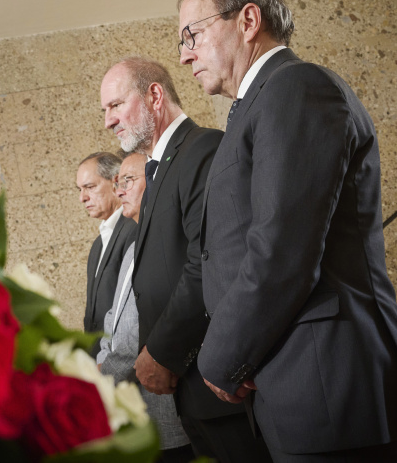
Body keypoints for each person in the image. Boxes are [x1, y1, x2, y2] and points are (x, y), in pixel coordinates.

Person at [178, 0, 397, 462]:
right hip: (298, 387)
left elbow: (281, 252)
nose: (184, 54)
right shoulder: (257, 105)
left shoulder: (295, 86)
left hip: (333, 389)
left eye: (192, 34)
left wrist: (219, 359)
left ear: (248, 20)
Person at [101, 57, 270, 462]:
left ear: (154, 96)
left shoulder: (203, 149)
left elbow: (208, 260)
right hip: (189, 391)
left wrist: (161, 352)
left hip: (217, 383)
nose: (108, 121)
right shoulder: (158, 169)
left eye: (115, 106)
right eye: (104, 110)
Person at [97, 151, 194, 463]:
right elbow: (114, 320)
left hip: (167, 412)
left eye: (128, 180)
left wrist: (101, 380)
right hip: (138, 413)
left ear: (155, 182)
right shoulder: (133, 247)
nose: (120, 191)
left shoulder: (172, 242)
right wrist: (101, 361)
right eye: (117, 183)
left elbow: (131, 336)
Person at [76, 152, 136, 357]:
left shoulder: (133, 229)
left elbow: (133, 309)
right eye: (80, 190)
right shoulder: (97, 246)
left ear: (115, 183)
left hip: (124, 362)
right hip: (100, 362)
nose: (82, 198)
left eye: (90, 187)